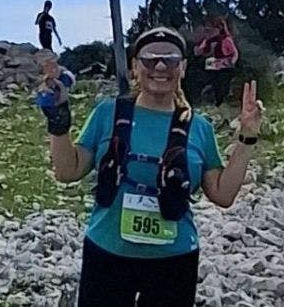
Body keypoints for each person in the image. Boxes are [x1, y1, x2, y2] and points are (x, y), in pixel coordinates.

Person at [39, 26, 264, 306]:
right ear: (135, 67)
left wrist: (247, 137)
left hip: (174, 262)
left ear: (182, 68)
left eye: (170, 59)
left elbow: (223, 194)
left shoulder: (199, 127)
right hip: (107, 254)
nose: (160, 66)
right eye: (149, 59)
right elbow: (67, 171)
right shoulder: (107, 113)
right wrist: (58, 119)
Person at [193, 18, 239, 106]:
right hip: (210, 68)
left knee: (221, 87)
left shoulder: (226, 40)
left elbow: (234, 53)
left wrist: (230, 63)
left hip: (223, 69)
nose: (209, 32)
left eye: (211, 29)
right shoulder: (208, 41)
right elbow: (198, 52)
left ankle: (220, 102)